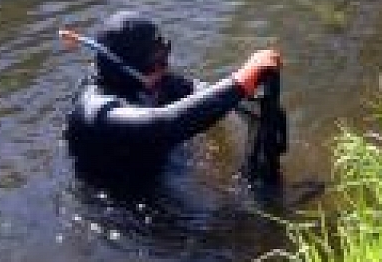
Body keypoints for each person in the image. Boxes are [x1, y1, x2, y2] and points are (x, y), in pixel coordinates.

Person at [64, 10, 281, 186]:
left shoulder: (148, 78)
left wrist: (239, 97)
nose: (165, 66)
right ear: (125, 67)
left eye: (165, 54)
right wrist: (241, 81)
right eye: (157, 60)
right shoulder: (94, 111)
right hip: (121, 209)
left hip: (160, 172)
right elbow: (160, 125)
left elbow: (195, 91)